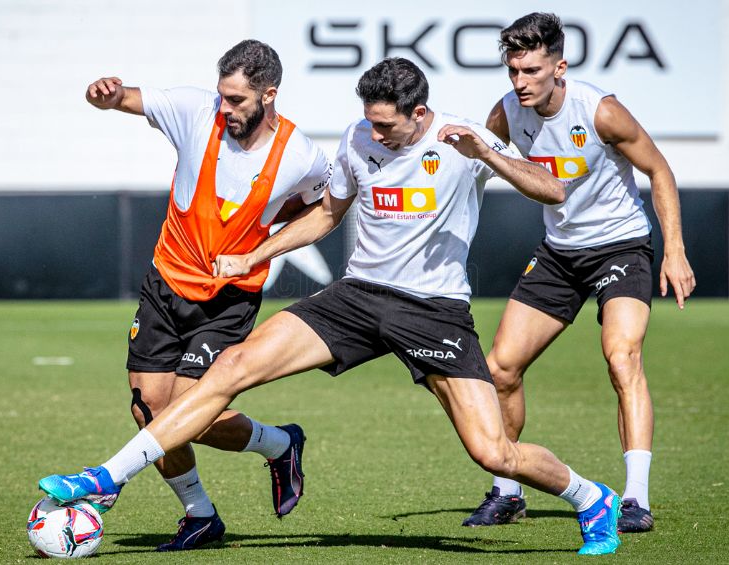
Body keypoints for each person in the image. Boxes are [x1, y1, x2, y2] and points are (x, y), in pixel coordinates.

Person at [41, 57, 623, 555]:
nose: (377, 133)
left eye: (388, 125)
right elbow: (325, 214)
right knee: (231, 370)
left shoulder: (463, 137)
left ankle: (591, 496)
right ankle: (105, 477)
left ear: (420, 114)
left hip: (433, 310)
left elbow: (552, 190)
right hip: (357, 297)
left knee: (493, 452)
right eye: (371, 122)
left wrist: (488, 156)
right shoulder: (358, 137)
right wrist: (255, 256)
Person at [75, 39, 332, 551]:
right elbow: (122, 98)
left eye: (238, 100)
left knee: (189, 410)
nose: (227, 108)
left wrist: (261, 251)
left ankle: (280, 443)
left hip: (228, 299)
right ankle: (201, 515)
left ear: (269, 95)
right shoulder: (195, 110)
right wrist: (101, 94)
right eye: (223, 96)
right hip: (165, 284)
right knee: (150, 409)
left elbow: (320, 211)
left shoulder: (301, 156)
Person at [460, 13, 696, 533]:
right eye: (513, 71)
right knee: (501, 369)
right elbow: (472, 165)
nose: (520, 82)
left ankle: (635, 498)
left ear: (559, 67)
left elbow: (659, 170)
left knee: (622, 357)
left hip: (621, 247)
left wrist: (674, 249)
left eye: (531, 71)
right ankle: (508, 490)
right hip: (560, 253)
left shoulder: (602, 111)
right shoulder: (505, 113)